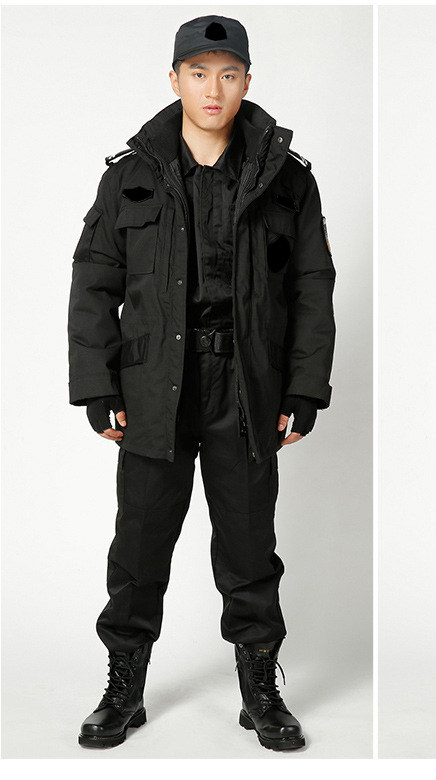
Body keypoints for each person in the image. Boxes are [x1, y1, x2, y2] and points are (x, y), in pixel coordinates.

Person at [68, 15, 336, 751]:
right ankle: (123, 688)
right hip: (152, 384)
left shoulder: (287, 178)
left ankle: (260, 690)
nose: (212, 89)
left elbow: (312, 288)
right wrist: (98, 385)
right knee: (140, 543)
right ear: (174, 79)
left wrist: (303, 389)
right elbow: (93, 285)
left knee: (249, 545)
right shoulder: (130, 177)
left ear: (247, 81)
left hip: (246, 385)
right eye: (198, 73)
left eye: (227, 74)